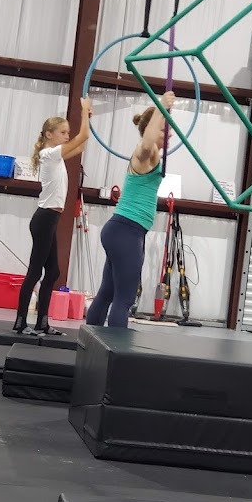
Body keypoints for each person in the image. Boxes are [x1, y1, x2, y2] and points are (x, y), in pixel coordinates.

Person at [86, 91, 175, 329]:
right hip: (125, 231)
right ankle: (116, 349)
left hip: (124, 231)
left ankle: (89, 340)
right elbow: (147, 141)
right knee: (123, 299)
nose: (170, 134)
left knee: (107, 292)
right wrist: (161, 106)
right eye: (164, 129)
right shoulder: (146, 152)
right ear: (151, 129)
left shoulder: (153, 156)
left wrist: (163, 113)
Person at [13, 97, 92, 336]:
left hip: (50, 220)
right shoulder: (49, 153)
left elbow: (81, 144)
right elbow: (81, 137)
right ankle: (20, 322)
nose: (67, 136)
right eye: (63, 132)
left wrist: (88, 119)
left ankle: (42, 322)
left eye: (68, 132)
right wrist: (84, 112)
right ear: (49, 135)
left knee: (53, 272)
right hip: (44, 219)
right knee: (35, 272)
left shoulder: (55, 156)